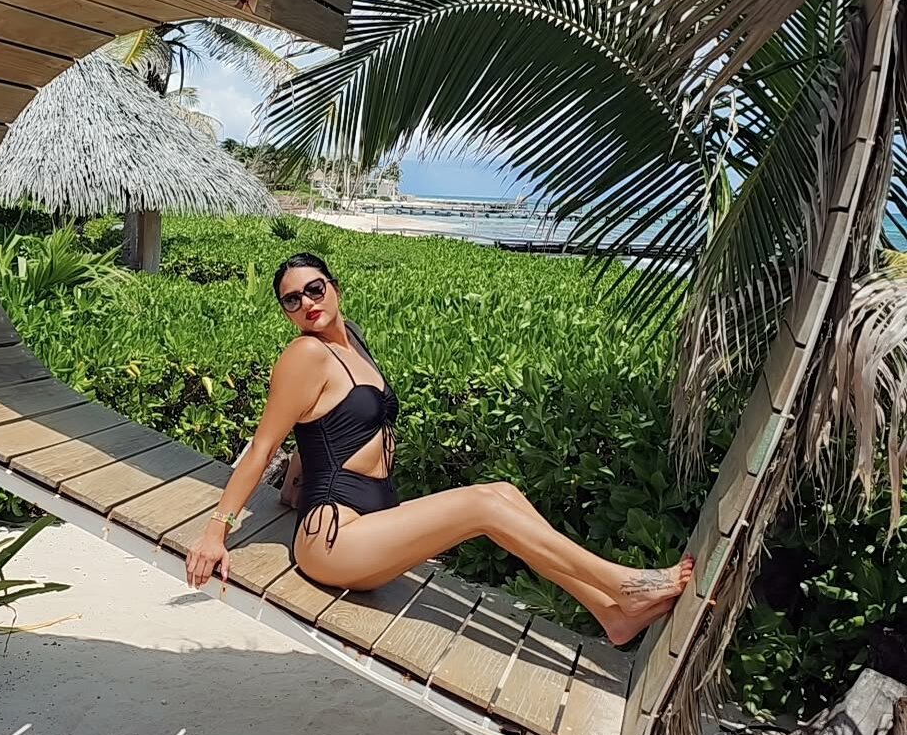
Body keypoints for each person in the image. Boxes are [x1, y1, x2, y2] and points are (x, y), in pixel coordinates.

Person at [185, 253, 694, 646]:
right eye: (292, 300)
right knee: (481, 505)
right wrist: (215, 533)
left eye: (314, 289)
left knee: (503, 493)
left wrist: (293, 486)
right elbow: (263, 445)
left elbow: (320, 427)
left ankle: (610, 613)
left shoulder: (351, 341)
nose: (307, 303)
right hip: (334, 541)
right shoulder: (304, 354)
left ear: (334, 287)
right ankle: (624, 584)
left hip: (370, 523)